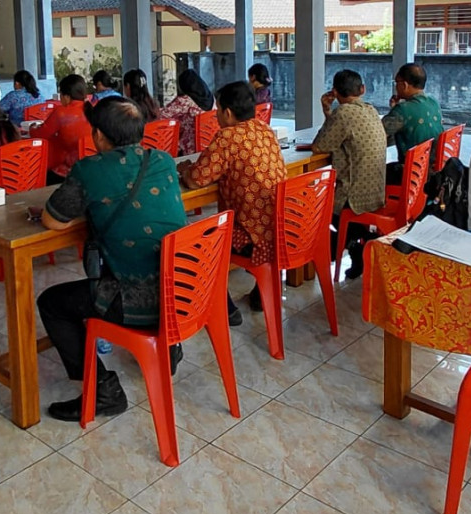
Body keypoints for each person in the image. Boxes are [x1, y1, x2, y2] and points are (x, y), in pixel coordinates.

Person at [36, 97, 187, 421]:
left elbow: (52, 220)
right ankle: (169, 349)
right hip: (184, 291)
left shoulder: (90, 169)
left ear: (99, 135)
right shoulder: (163, 160)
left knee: (51, 303)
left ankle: (103, 391)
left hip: (137, 299)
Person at [179, 81, 286, 323]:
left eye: (217, 110)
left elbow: (196, 180)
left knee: (200, 243)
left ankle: (226, 309)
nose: (216, 115)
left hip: (252, 238)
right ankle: (260, 295)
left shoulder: (227, 137)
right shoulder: (264, 129)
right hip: (279, 230)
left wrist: (185, 170)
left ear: (227, 112)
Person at [313, 69, 388, 280]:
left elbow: (320, 146)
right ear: (362, 89)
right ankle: (359, 243)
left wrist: (327, 110)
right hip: (376, 191)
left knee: (316, 209)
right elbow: (337, 133)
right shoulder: (371, 110)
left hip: (352, 197)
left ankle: (346, 246)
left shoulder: (343, 113)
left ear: (335, 92)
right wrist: (329, 112)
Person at [381, 62, 443, 185]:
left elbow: (376, 134)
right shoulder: (433, 102)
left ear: (404, 85)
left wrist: (395, 110)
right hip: (434, 169)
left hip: (412, 173)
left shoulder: (402, 110)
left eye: (396, 82)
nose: (396, 86)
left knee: (377, 171)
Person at [32, 74, 91, 181]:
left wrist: (32, 128)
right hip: (91, 167)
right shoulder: (93, 109)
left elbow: (40, 134)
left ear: (67, 97)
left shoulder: (61, 113)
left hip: (69, 171)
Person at [159, 68, 214, 156]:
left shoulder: (185, 100)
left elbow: (162, 115)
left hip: (190, 148)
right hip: (209, 145)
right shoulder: (211, 98)